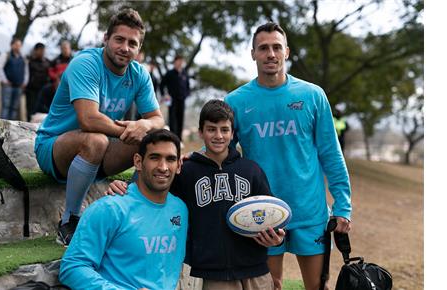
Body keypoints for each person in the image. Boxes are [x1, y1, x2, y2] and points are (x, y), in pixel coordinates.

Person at [224, 22, 352, 290]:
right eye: (263, 48)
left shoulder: (313, 95)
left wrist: (343, 205)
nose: (270, 54)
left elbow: (331, 153)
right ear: (253, 54)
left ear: (287, 52)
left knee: (317, 286)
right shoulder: (235, 102)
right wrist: (192, 160)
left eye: (276, 47)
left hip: (310, 211)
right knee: (272, 286)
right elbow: (221, 150)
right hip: (263, 212)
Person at [107, 100, 285, 290]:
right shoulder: (186, 171)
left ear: (233, 133)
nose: (218, 136)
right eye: (211, 129)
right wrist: (125, 185)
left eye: (224, 130)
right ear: (201, 132)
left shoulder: (251, 170)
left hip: (256, 270)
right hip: (213, 273)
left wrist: (278, 238)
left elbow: (271, 214)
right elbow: (151, 188)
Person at [34, 8, 165, 247]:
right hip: (53, 148)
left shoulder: (139, 74)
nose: (125, 47)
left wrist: (143, 125)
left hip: (99, 154)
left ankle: (133, 211)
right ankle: (70, 219)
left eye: (132, 43)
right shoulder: (86, 63)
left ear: (138, 49)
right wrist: (130, 131)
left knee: (154, 139)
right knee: (96, 139)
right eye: (119, 39)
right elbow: (89, 119)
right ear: (106, 39)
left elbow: (158, 119)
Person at [59, 129, 188, 290]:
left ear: (179, 165)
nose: (163, 167)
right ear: (138, 162)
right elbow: (72, 267)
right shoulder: (109, 208)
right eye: (154, 158)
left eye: (170, 159)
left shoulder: (181, 209)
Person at [0, 37, 29, 120]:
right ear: (11, 45)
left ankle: (11, 129)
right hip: (8, 86)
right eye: (16, 45)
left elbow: (26, 71)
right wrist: (4, 80)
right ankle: (1, 127)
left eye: (19, 45)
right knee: (6, 107)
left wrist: (25, 82)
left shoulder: (23, 57)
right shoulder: (6, 55)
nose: (18, 47)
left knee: (14, 108)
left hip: (18, 87)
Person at [160, 55, 190, 140]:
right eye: (178, 61)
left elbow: (188, 87)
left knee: (181, 118)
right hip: (171, 100)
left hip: (182, 100)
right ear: (175, 62)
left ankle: (179, 139)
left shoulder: (184, 74)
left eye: (182, 61)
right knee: (172, 119)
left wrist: (186, 95)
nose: (180, 63)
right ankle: (173, 138)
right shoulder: (170, 73)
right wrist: (165, 95)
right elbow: (162, 85)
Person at [26, 42, 50, 121]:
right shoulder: (30, 61)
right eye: (40, 50)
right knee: (30, 109)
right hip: (31, 90)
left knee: (42, 110)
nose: (42, 52)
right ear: (36, 50)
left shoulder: (47, 62)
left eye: (43, 50)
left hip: (43, 91)